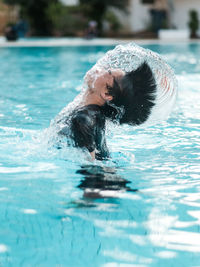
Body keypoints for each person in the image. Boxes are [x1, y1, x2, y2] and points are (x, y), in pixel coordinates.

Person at [54, 62, 157, 161]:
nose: (99, 70)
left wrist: (90, 160)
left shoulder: (85, 116)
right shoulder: (94, 114)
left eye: (107, 72)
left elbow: (82, 121)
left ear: (107, 94)